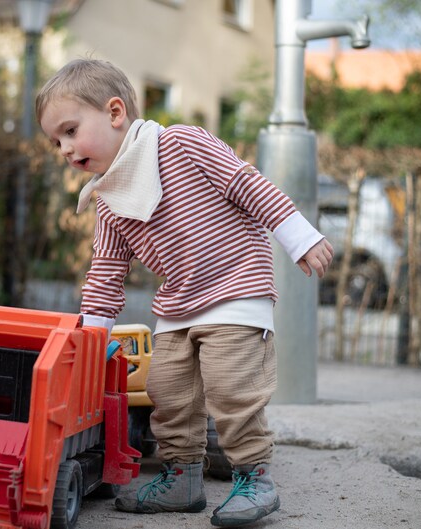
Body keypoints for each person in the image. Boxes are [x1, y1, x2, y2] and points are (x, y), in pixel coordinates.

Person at [36, 59, 333, 527]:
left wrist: (299, 235)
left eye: (70, 131)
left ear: (115, 112)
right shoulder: (111, 200)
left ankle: (254, 476)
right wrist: (90, 338)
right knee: (168, 392)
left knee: (233, 389)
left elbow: (246, 184)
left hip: (236, 287)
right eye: (56, 141)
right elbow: (106, 271)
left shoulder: (180, 143)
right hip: (180, 302)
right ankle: (182, 478)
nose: (64, 148)